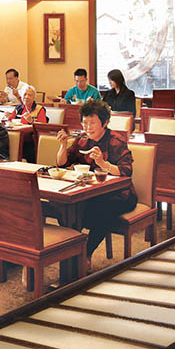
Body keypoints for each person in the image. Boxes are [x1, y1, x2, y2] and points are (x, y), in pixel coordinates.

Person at [56, 99, 136, 259]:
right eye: (84, 123)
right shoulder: (83, 140)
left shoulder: (115, 140)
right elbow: (63, 163)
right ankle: (73, 251)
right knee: (64, 209)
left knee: (102, 211)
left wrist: (102, 163)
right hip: (91, 192)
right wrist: (63, 146)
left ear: (105, 122)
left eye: (92, 123)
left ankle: (85, 254)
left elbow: (126, 171)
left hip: (119, 194)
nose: (87, 127)